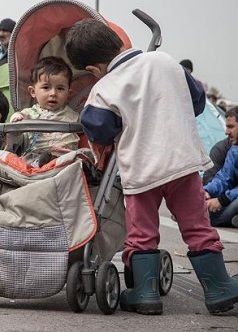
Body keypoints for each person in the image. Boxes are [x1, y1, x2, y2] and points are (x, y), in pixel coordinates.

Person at [65, 18, 237, 315]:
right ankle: (218, 288)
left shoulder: (105, 88)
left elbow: (99, 129)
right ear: (119, 43)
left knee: (142, 233)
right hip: (182, 163)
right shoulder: (165, 62)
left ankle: (145, 293)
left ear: (92, 69)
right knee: (198, 228)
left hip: (141, 170)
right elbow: (196, 101)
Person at [9, 56, 80, 167]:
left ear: (69, 94)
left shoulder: (75, 116)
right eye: (46, 87)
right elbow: (18, 141)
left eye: (60, 88)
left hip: (64, 161)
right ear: (33, 91)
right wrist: (16, 120)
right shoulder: (28, 114)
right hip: (35, 158)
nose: (53, 93)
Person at [203, 107, 238, 228]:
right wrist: (206, 191)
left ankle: (197, 216)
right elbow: (224, 177)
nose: (226, 132)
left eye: (231, 127)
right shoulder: (234, 150)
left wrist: (222, 200)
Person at [203, 107, 237, 184]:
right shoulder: (221, 149)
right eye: (227, 127)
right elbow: (209, 179)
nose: (226, 132)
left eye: (231, 127)